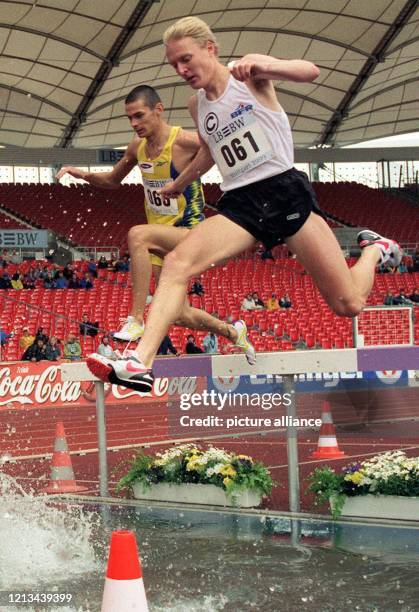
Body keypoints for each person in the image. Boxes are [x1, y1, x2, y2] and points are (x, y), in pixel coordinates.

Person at [86, 16, 401, 392]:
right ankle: (139, 362)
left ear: (210, 49)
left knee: (348, 304)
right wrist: (179, 184)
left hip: (284, 191)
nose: (181, 70)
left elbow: (310, 71)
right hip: (240, 202)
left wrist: (265, 65)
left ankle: (375, 250)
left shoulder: (249, 75)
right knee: (176, 263)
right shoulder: (197, 105)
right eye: (174, 65)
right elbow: (209, 152)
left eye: (186, 59)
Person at [58, 83, 254, 360]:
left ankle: (136, 318)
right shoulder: (137, 147)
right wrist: (83, 175)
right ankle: (234, 333)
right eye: (129, 118)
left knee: (138, 235)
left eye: (139, 115)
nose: (134, 123)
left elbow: (220, 148)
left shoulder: (184, 141)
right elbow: (113, 180)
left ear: (158, 110)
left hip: (191, 232)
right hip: (164, 239)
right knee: (179, 314)